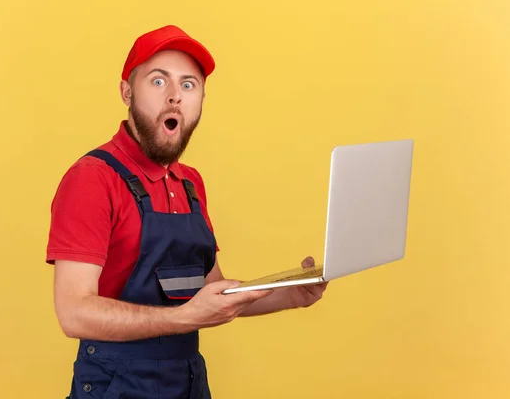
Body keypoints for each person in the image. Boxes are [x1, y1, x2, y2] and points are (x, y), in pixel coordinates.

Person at [46, 24, 328, 399]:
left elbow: (211, 294)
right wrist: (183, 318)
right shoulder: (93, 179)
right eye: (159, 82)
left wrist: (290, 293)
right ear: (127, 92)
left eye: (189, 84)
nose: (175, 96)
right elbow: (73, 313)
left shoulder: (190, 184)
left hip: (188, 383)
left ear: (201, 101)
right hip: (116, 386)